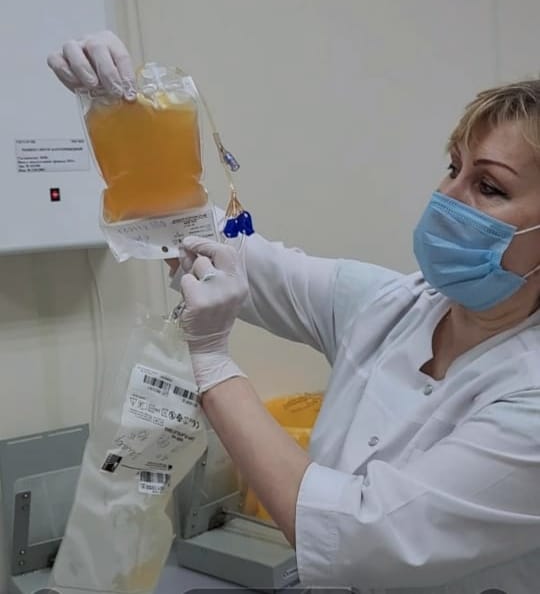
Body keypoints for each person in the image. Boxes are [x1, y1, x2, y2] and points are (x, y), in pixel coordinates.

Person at [48, 31, 540, 594]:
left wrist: (214, 365)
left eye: (489, 186)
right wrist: (127, 122)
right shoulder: (394, 306)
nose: (448, 196)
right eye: (453, 167)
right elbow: (217, 250)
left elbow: (359, 540)